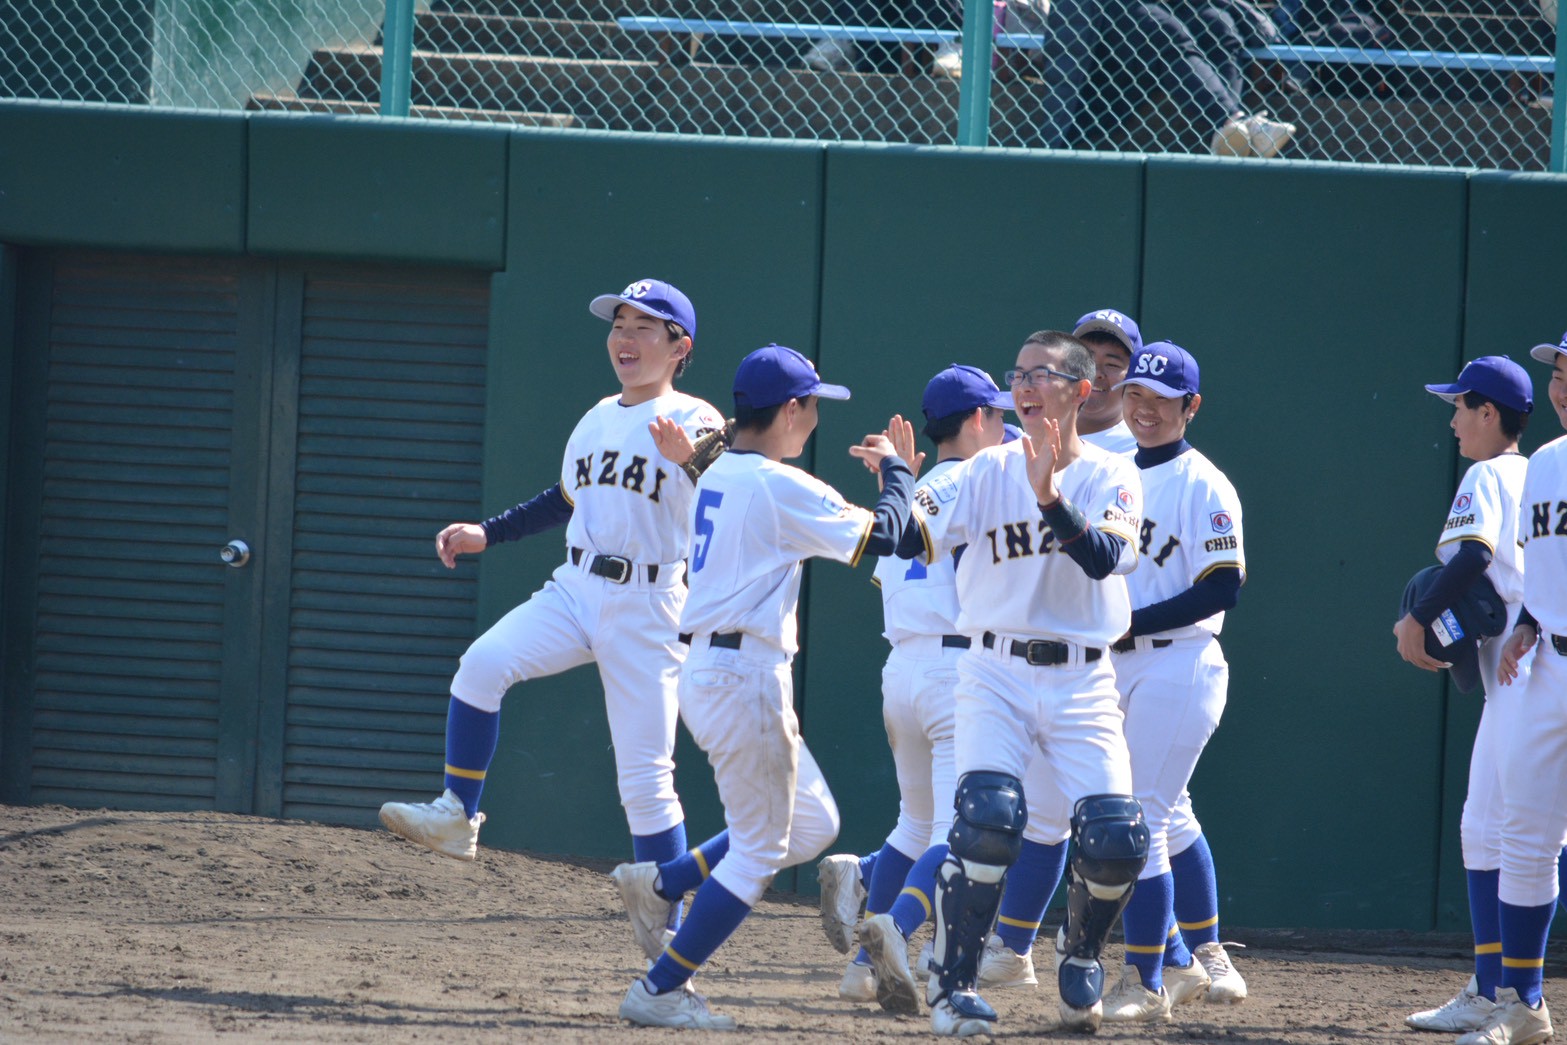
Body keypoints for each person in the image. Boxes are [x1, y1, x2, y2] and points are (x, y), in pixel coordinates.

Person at [613, 343, 921, 1030]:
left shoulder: (719, 470)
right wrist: (898, 472)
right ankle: (661, 987)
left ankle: (662, 882)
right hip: (741, 673)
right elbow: (889, 537)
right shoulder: (779, 484)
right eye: (810, 406)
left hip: (715, 668)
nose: (814, 418)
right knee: (758, 849)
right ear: (788, 410)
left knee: (810, 825)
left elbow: (724, 473)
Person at [376, 280, 724, 876]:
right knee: (482, 664)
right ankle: (457, 815)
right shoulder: (596, 417)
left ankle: (664, 918)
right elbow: (565, 498)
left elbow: (729, 500)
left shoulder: (697, 418)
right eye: (618, 326)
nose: (624, 338)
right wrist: (489, 531)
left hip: (650, 603)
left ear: (679, 346)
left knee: (645, 779)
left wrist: (691, 461)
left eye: (643, 327)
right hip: (576, 587)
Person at [890, 329, 1148, 1036]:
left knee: (1116, 838)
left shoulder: (1114, 473)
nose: (1027, 387)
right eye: (1019, 375)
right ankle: (954, 986)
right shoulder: (984, 469)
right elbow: (909, 538)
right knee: (986, 823)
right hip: (993, 668)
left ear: (1081, 390)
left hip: (1083, 676)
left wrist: (1050, 498)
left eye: (1043, 375)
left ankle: (1080, 950)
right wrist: (898, 480)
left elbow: (1104, 557)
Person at [816, 364, 1014, 1016]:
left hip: (901, 668)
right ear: (978, 419)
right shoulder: (984, 483)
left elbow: (893, 571)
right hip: (959, 672)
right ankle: (896, 928)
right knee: (959, 833)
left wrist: (898, 475)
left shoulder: (913, 493)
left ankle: (861, 970)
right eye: (998, 416)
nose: (1005, 428)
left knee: (913, 823)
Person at [1090, 341, 1246, 1022]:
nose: (1144, 409)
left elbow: (1223, 585)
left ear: (1191, 406)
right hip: (1116, 661)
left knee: (1142, 821)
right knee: (1164, 813)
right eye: (1135, 395)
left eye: (1160, 399)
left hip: (1178, 660)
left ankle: (1146, 978)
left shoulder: (1203, 482)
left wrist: (1129, 622)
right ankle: (1189, 956)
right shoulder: (1112, 469)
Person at [1394, 356, 1536, 1035]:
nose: (1452, 421)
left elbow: (1474, 555)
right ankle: (1490, 985)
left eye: (1459, 407)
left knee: (1508, 830)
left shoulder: (1488, 473)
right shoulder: (1541, 471)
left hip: (1520, 663)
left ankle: (1504, 990)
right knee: (1496, 828)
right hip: (1530, 652)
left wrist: (1416, 619)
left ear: (1488, 412)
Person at [1469, 333, 1567, 1045]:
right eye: (1558, 374)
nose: (1561, 387)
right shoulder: (1546, 463)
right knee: (1526, 835)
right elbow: (1546, 563)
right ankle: (1524, 1003)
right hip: (1547, 662)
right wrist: (1528, 621)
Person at [1030, 0, 1297, 157]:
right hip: (1107, 14)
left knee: (1219, 25)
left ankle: (1234, 138)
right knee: (1166, 31)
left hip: (1178, 6)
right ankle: (1233, 123)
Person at [1074, 308, 1142, 454]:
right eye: (1086, 360)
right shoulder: (1034, 431)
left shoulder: (1139, 453)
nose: (1096, 372)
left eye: (1112, 364)